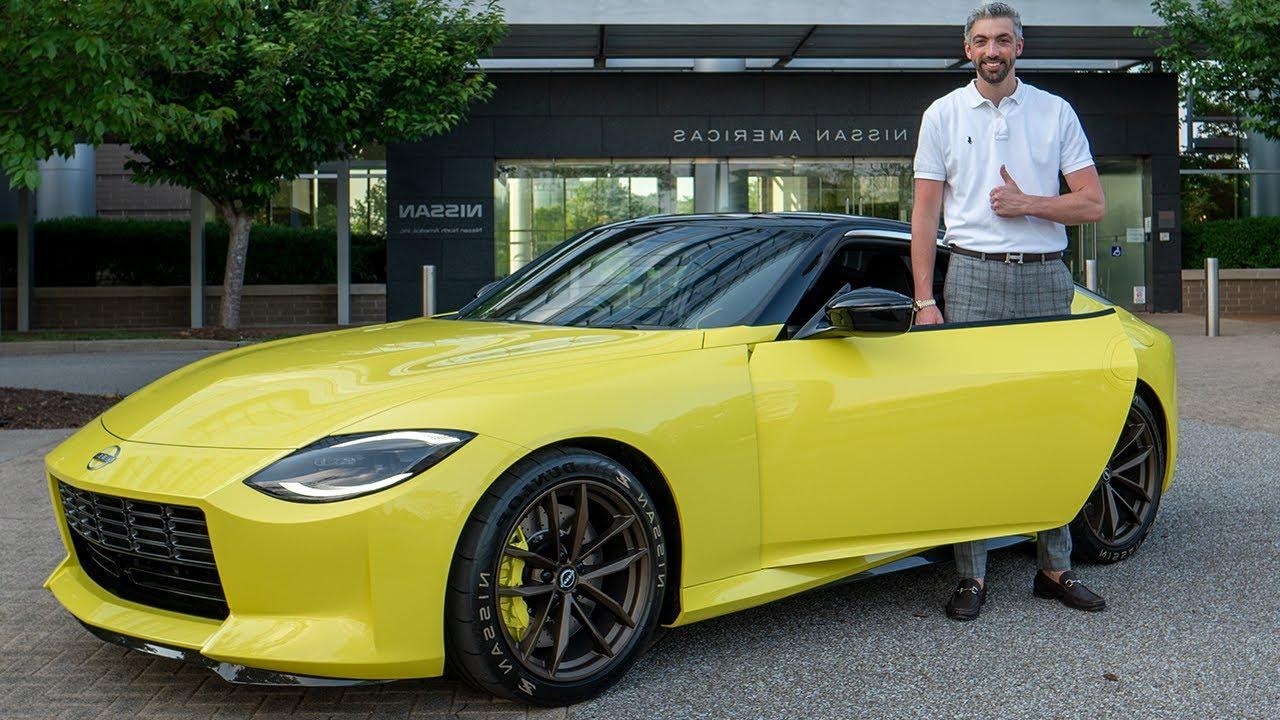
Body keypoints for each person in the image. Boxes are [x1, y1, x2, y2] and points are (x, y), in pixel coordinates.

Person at [909, 2, 1109, 621]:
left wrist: (1029, 204)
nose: (991, 50)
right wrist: (925, 299)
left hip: (1046, 279)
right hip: (971, 275)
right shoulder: (942, 114)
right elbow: (924, 214)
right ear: (967, 50)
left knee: (1051, 422)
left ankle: (1054, 567)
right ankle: (971, 575)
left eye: (1002, 40)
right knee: (975, 427)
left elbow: (1093, 204)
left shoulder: (1055, 112)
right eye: (981, 41)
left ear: (1019, 47)